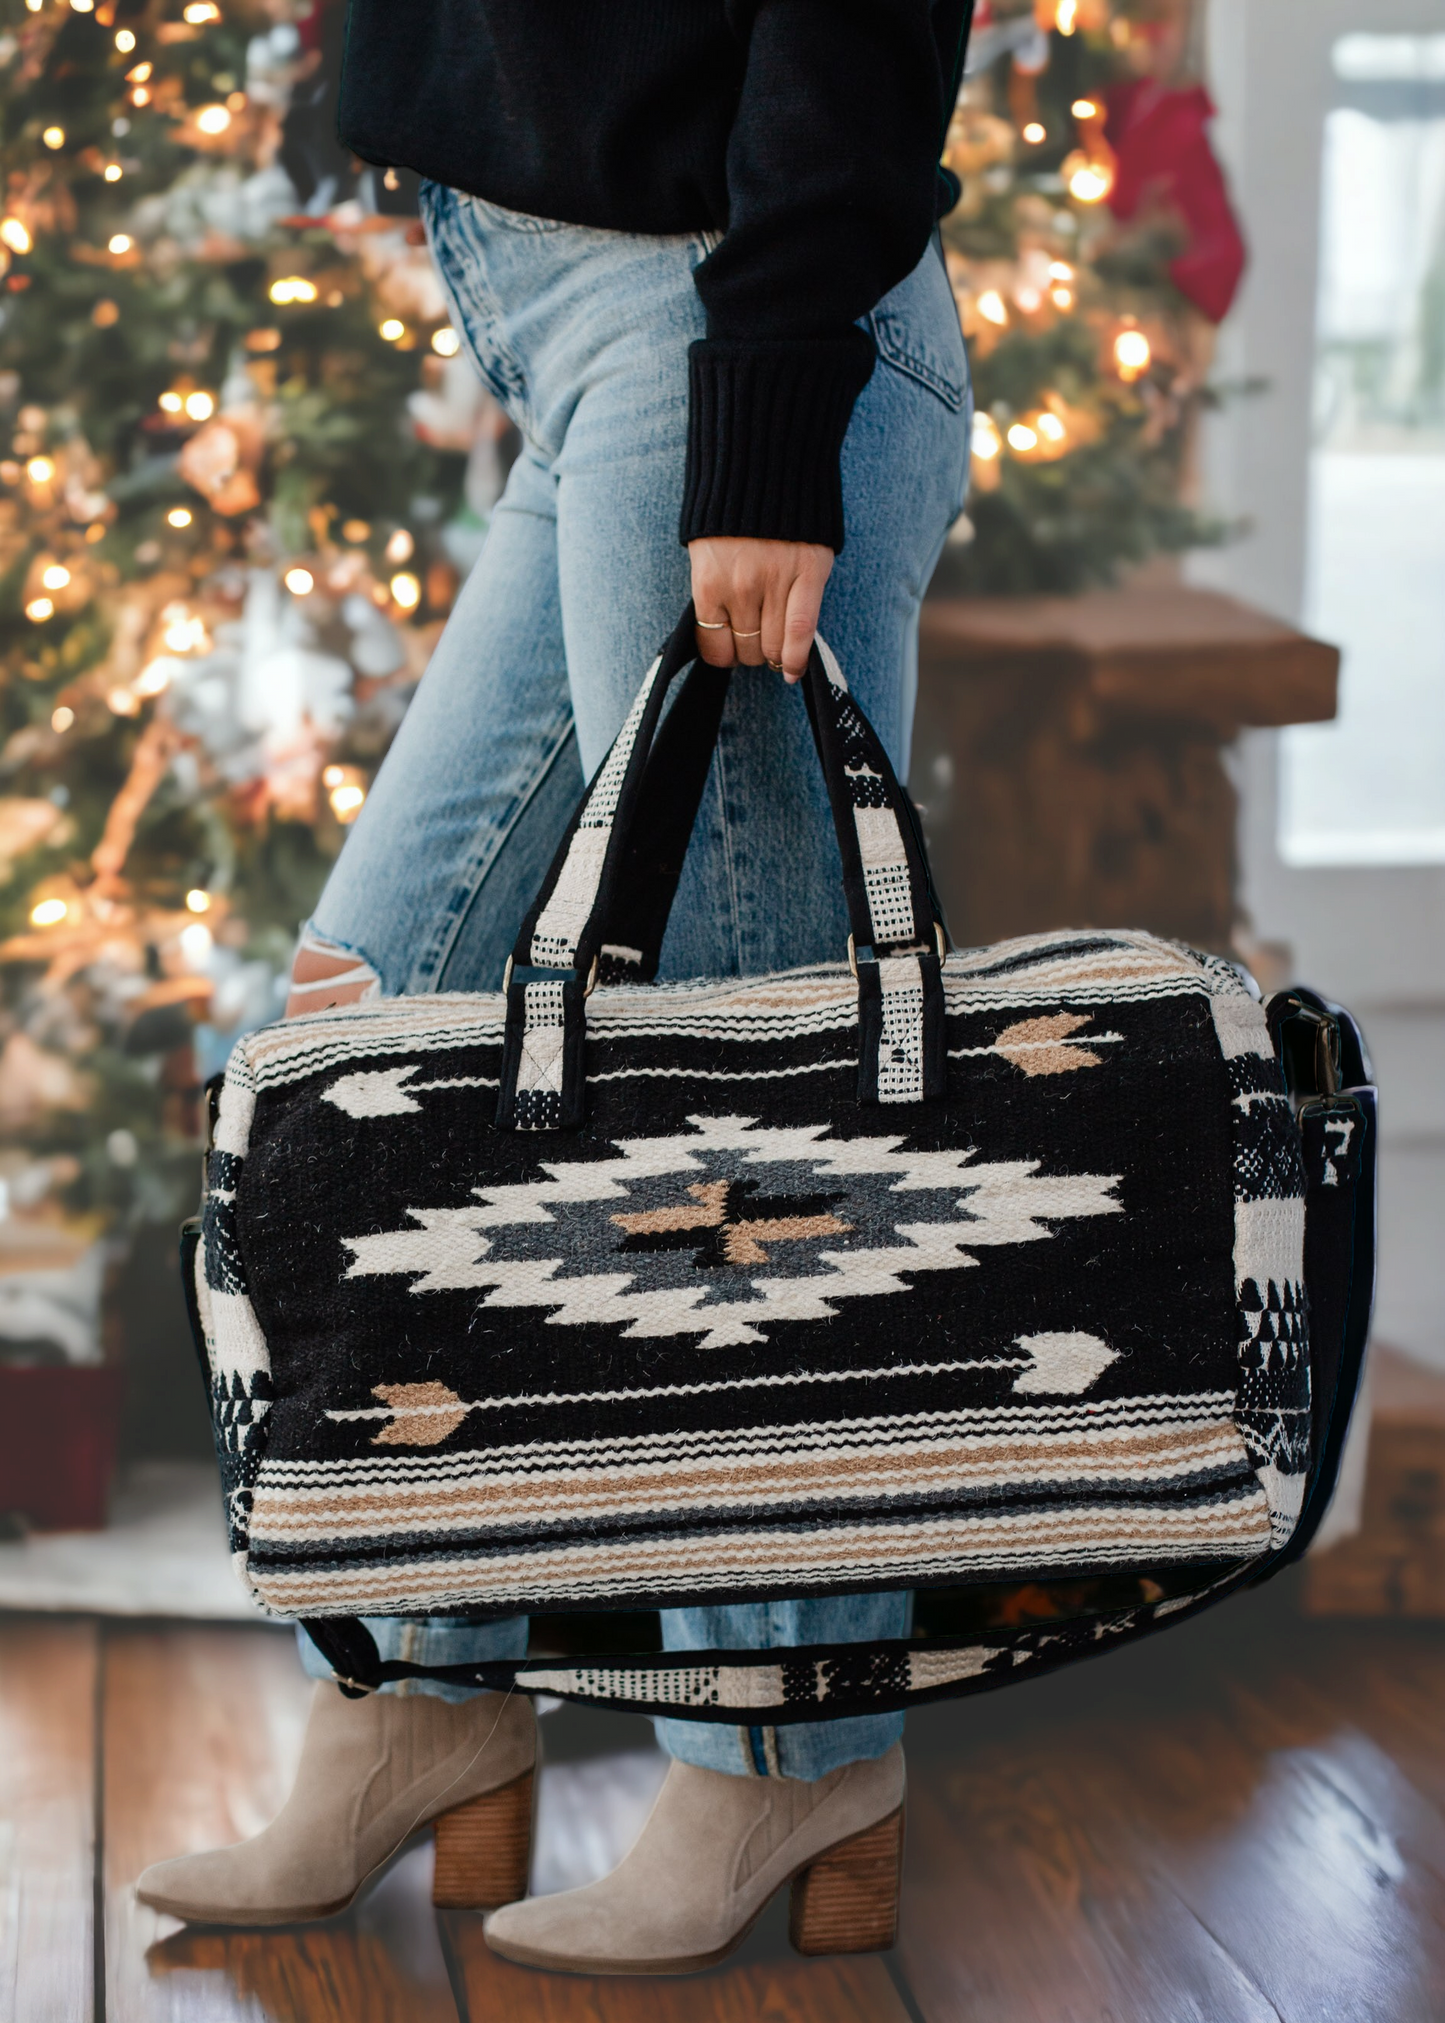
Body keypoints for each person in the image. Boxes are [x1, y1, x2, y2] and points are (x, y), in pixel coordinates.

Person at [138, 0, 973, 1974]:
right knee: (371, 1041)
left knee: (739, 1123)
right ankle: (421, 1700)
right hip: (573, 339)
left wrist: (764, 391)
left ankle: (784, 1754)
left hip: (724, 338)